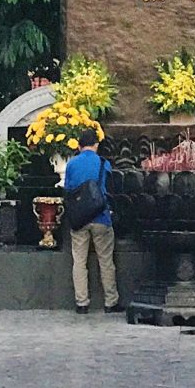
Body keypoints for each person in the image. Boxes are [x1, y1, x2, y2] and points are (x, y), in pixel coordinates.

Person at [64, 129, 121, 315]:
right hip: (101, 217)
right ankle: (110, 302)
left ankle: (82, 303)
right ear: (96, 145)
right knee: (106, 261)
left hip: (79, 220)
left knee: (79, 261)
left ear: (79, 146)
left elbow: (69, 189)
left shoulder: (72, 164)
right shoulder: (103, 163)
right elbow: (110, 190)